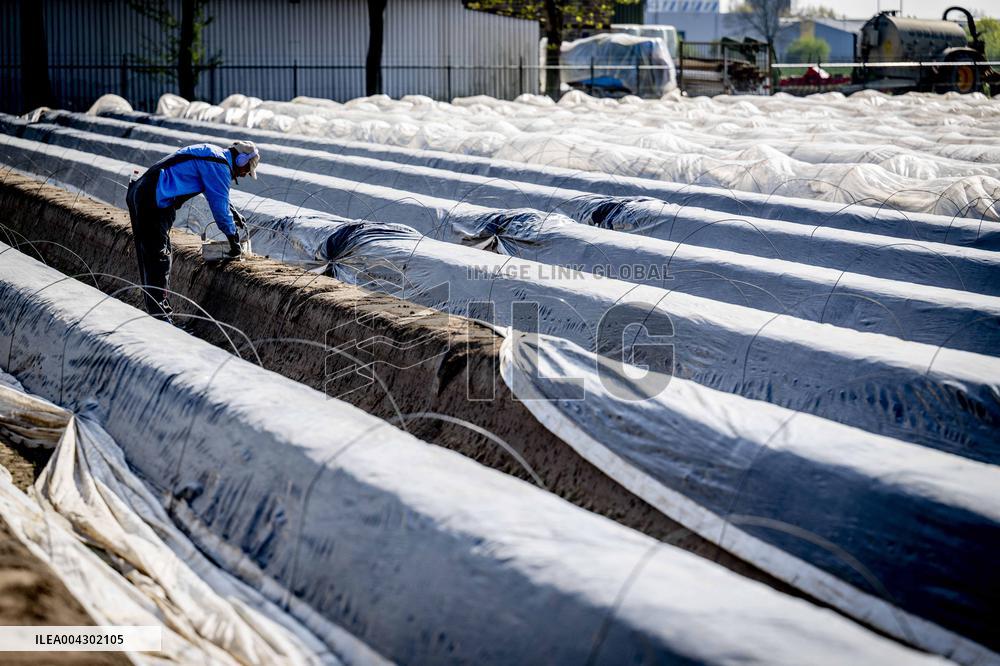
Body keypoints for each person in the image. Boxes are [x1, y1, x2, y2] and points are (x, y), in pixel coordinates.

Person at [125, 141, 260, 320]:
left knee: (150, 258)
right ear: (241, 161)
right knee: (159, 258)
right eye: (246, 170)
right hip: (154, 198)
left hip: (141, 190)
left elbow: (215, 192)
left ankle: (156, 312)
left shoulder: (214, 155)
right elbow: (220, 210)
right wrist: (233, 240)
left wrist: (233, 212)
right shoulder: (219, 166)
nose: (244, 175)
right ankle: (161, 317)